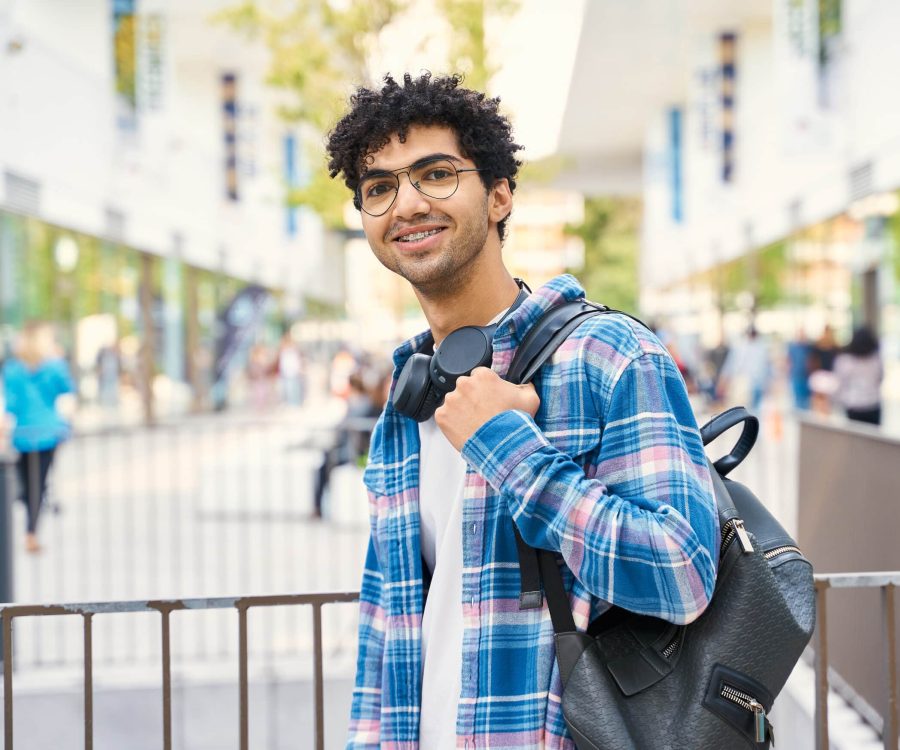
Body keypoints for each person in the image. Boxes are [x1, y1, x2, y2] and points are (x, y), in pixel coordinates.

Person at [326, 73, 718, 749]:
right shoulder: (412, 388)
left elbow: (680, 573)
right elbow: (388, 624)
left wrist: (509, 449)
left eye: (436, 174)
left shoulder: (610, 355)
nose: (407, 203)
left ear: (501, 194)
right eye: (380, 187)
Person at [1, 321, 74, 553]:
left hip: (23, 434)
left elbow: (11, 404)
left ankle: (30, 528)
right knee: (38, 482)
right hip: (47, 433)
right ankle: (31, 531)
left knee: (27, 482)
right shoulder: (53, 367)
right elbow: (67, 389)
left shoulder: (12, 369)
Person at [833, 325, 883, 426]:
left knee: (856, 438)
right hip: (872, 404)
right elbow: (880, 378)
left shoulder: (845, 360)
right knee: (872, 438)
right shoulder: (876, 360)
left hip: (854, 404)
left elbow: (839, 382)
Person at [717, 325, 771, 414]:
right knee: (748, 409)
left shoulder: (759, 348)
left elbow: (766, 367)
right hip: (746, 383)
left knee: (754, 410)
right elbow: (731, 366)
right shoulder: (741, 347)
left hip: (755, 383)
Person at [786, 329, 812, 411]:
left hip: (806, 376)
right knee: (797, 400)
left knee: (806, 400)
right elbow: (789, 361)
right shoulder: (793, 347)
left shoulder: (808, 347)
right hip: (796, 375)